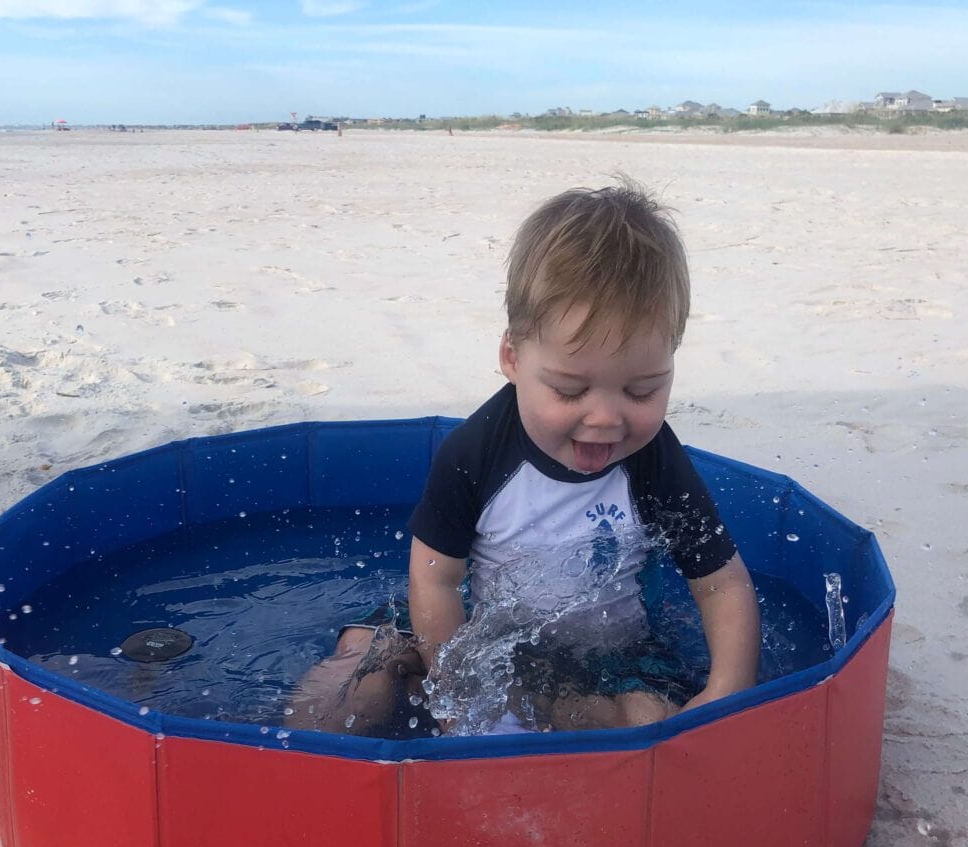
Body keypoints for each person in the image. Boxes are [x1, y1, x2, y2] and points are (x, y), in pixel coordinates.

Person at [291, 179, 761, 737]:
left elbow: (721, 585)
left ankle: (530, 706)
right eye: (569, 389)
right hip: (469, 630)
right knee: (343, 696)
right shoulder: (475, 454)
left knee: (644, 719)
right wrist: (454, 693)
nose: (606, 418)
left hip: (607, 654)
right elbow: (436, 583)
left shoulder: (656, 463)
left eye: (642, 391)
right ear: (512, 357)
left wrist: (728, 690)